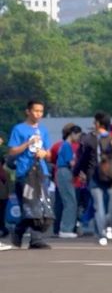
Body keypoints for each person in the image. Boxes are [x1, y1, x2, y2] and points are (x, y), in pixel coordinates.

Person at [6, 100, 53, 249]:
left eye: (41, 111)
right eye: (36, 111)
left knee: (42, 206)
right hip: (25, 173)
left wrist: (44, 153)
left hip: (41, 173)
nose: (38, 114)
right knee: (29, 206)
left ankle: (35, 239)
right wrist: (27, 144)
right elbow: (12, 151)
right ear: (28, 111)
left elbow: (49, 152)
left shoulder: (43, 130)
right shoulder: (18, 129)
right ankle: (19, 231)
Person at [74, 112, 112, 246]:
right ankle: (106, 228)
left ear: (97, 123)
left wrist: (77, 172)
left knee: (98, 206)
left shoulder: (90, 139)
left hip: (95, 176)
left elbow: (83, 159)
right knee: (109, 206)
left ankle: (101, 234)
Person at [56, 124, 83, 237]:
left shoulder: (64, 145)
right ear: (72, 134)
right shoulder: (67, 146)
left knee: (69, 201)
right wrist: (80, 172)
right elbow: (71, 162)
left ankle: (66, 228)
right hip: (65, 172)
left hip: (63, 172)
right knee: (70, 201)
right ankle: (66, 229)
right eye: (78, 135)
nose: (78, 138)